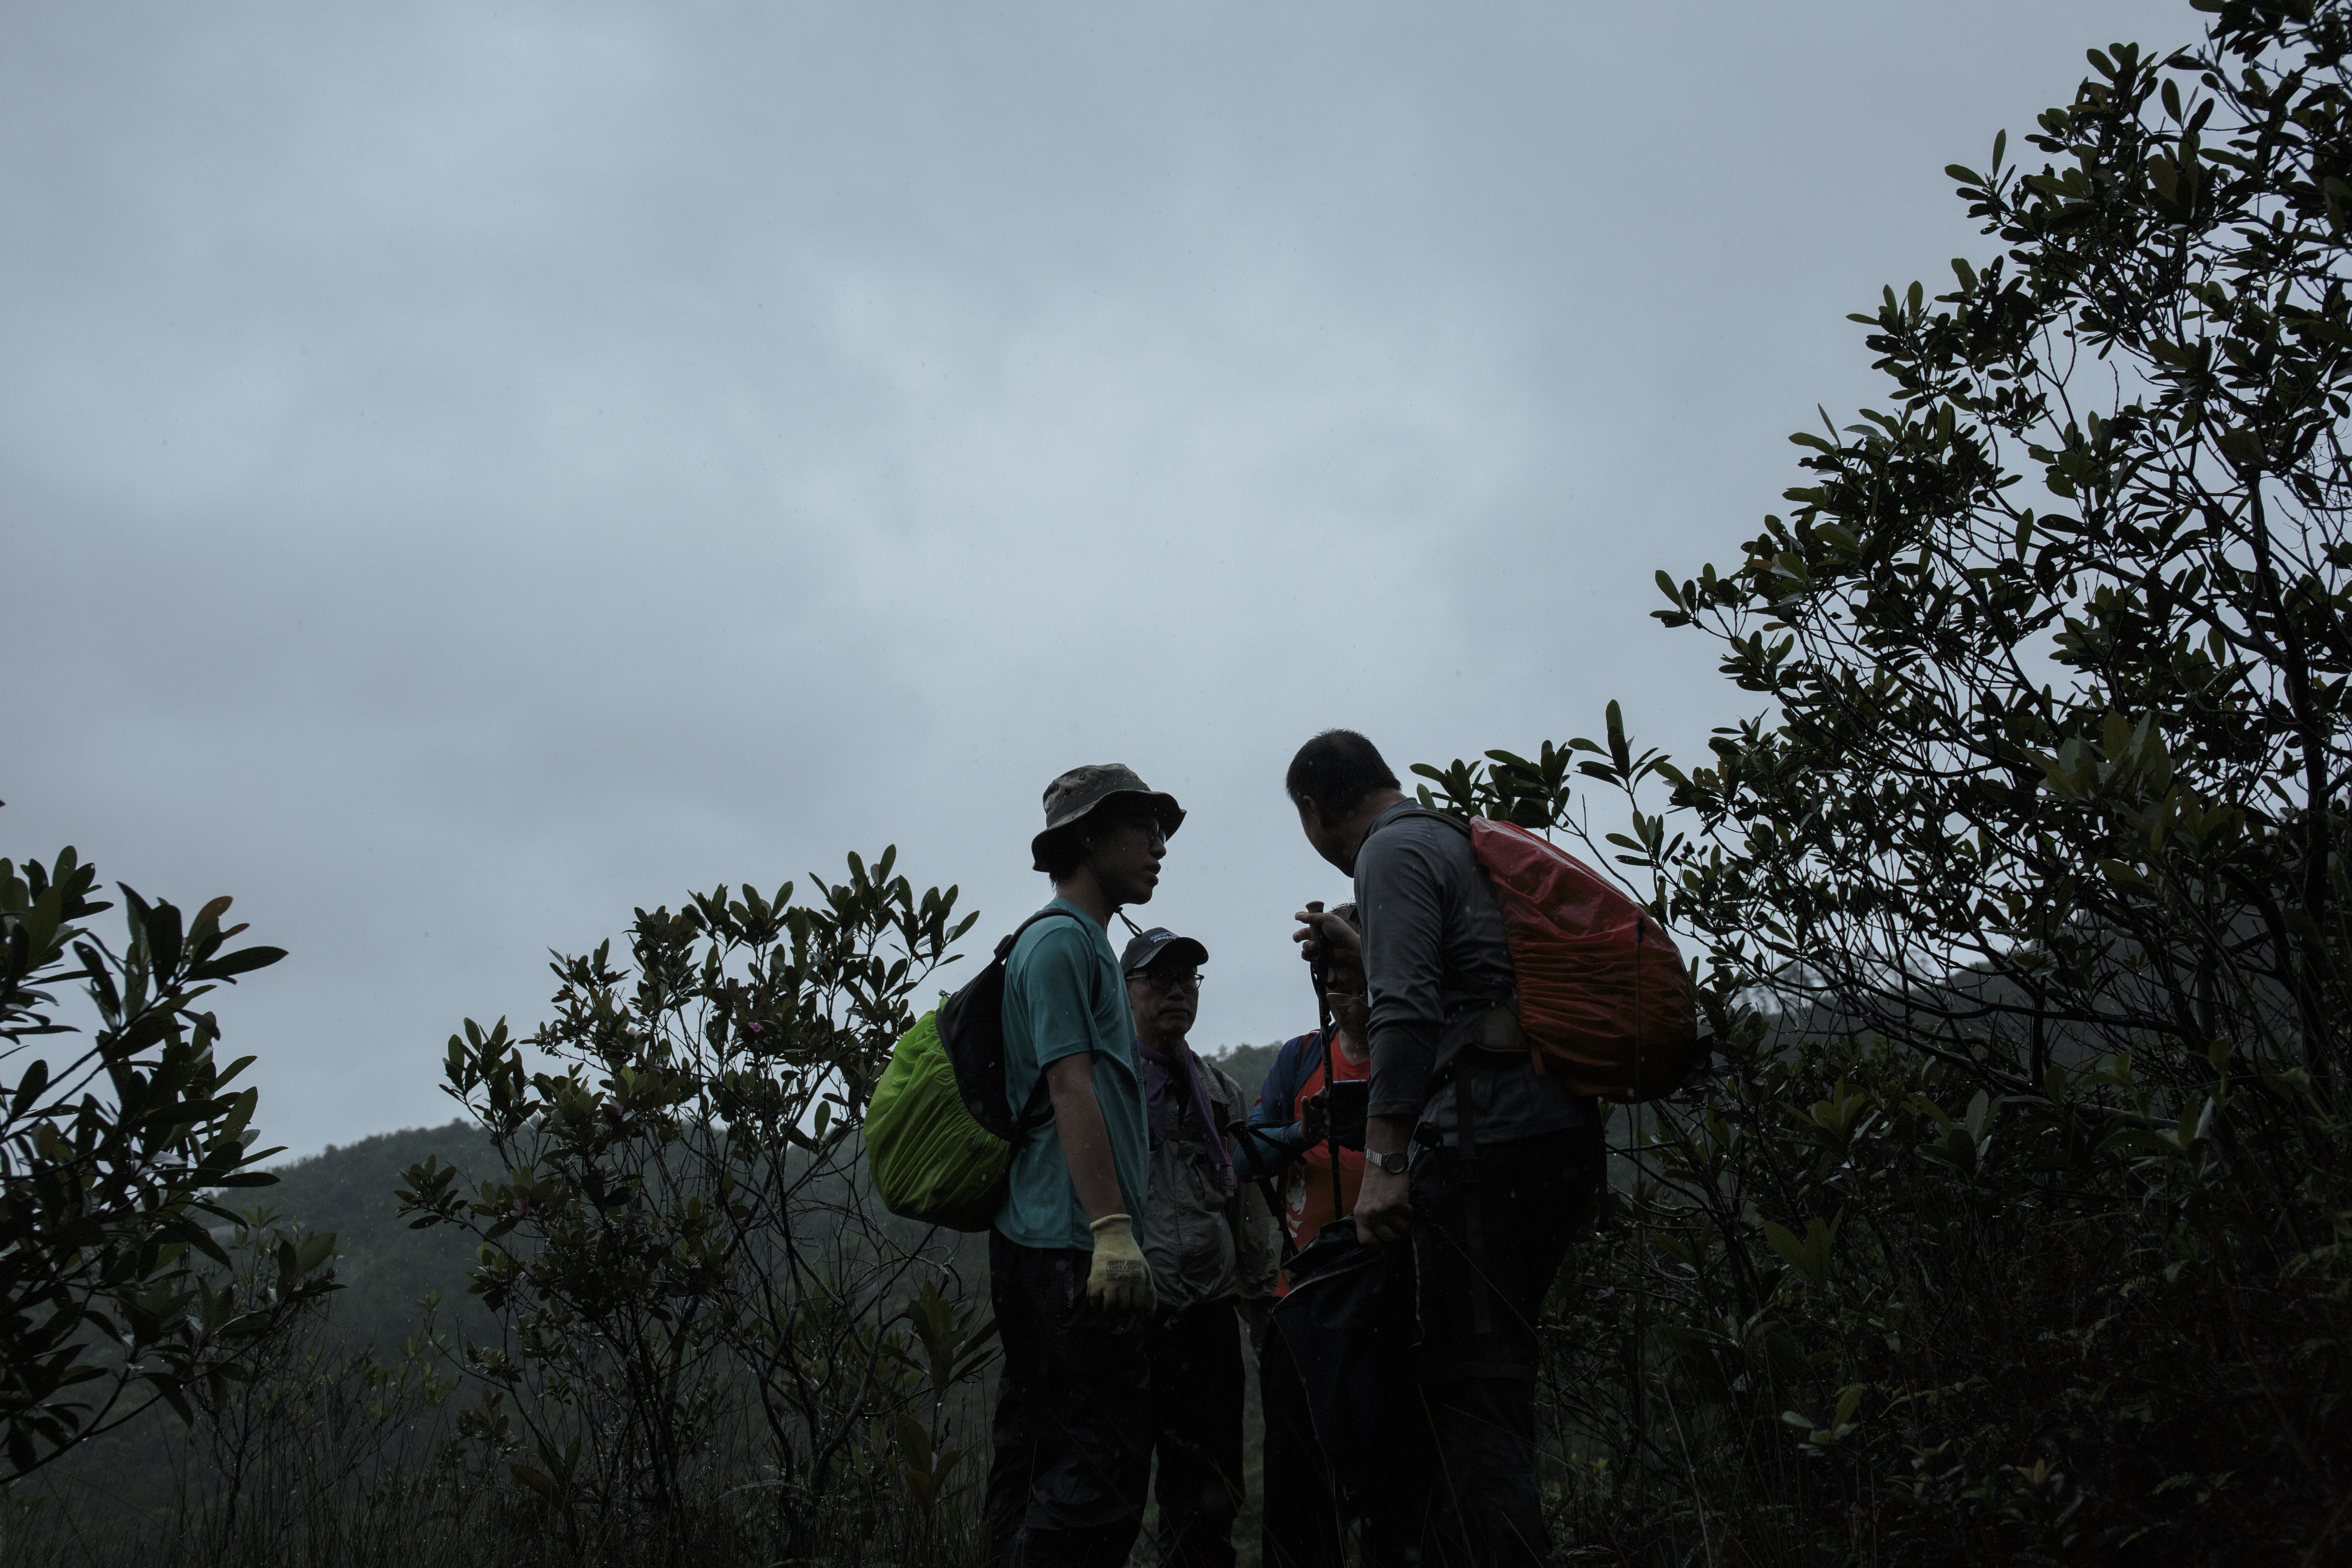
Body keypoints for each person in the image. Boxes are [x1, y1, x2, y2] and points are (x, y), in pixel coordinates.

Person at [1285, 730, 1606, 1568]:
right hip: (1551, 1129)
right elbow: (1470, 982)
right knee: (1493, 1377)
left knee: (1470, 1390)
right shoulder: (1448, 837)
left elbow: (1406, 1017)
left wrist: (1384, 1169)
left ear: (1315, 811)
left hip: (1483, 1148)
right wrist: (1366, 952)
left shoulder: (1385, 855)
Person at [983, 764, 1184, 1568]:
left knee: (1032, 1455)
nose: (1159, 848)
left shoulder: (1077, 944)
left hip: (1044, 1240)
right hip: (1069, 1244)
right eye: (1142, 830)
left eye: (1162, 831)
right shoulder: (1065, 943)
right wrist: (1111, 1231)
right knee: (1101, 1471)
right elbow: (1071, 1086)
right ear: (1089, 838)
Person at [1121, 925, 1277, 1568]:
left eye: (1187, 981)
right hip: (1131, 1312)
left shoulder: (1220, 1092)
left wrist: (1259, 1291)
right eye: (1159, 980)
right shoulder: (1108, 1085)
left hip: (1211, 1313)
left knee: (1214, 1490)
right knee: (1117, 1483)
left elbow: (1245, 1204)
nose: (1176, 993)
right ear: (1125, 992)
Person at [1230, 908, 1373, 1568]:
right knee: (1296, 1487)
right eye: (1332, 983)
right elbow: (1242, 1157)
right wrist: (1299, 1133)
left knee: (1392, 1481)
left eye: (1358, 979)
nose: (1346, 997)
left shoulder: (1422, 1056)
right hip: (1302, 1301)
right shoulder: (1301, 1059)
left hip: (1388, 1302)